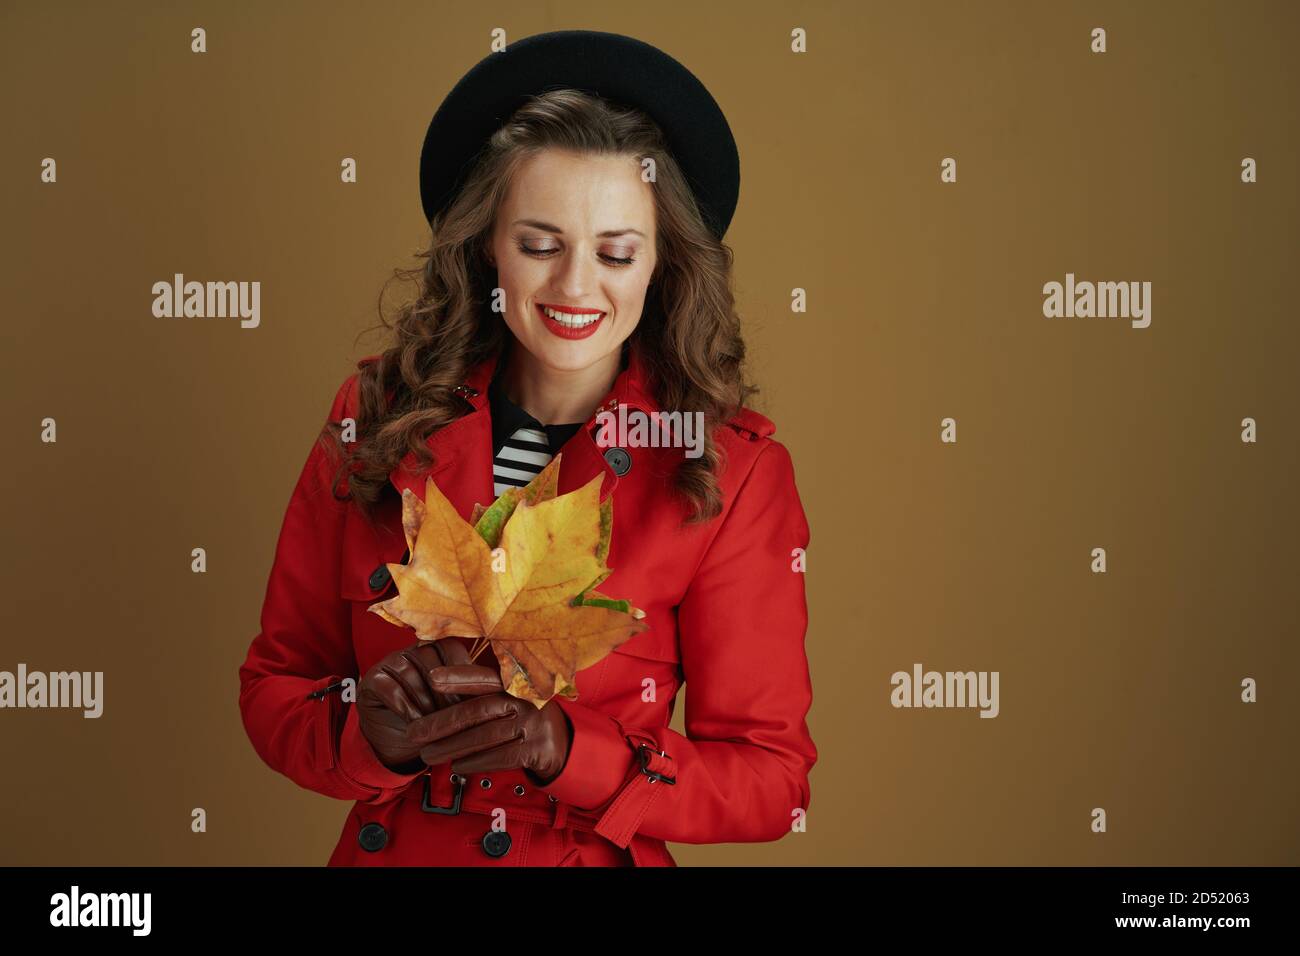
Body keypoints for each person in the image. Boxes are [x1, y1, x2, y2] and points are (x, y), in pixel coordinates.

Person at [238, 29, 816, 866]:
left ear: (662, 265)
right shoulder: (373, 417)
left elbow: (771, 780)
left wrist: (569, 751)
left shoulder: (731, 469)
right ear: (486, 247)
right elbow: (275, 688)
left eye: (617, 251)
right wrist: (368, 728)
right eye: (539, 245)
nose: (577, 287)